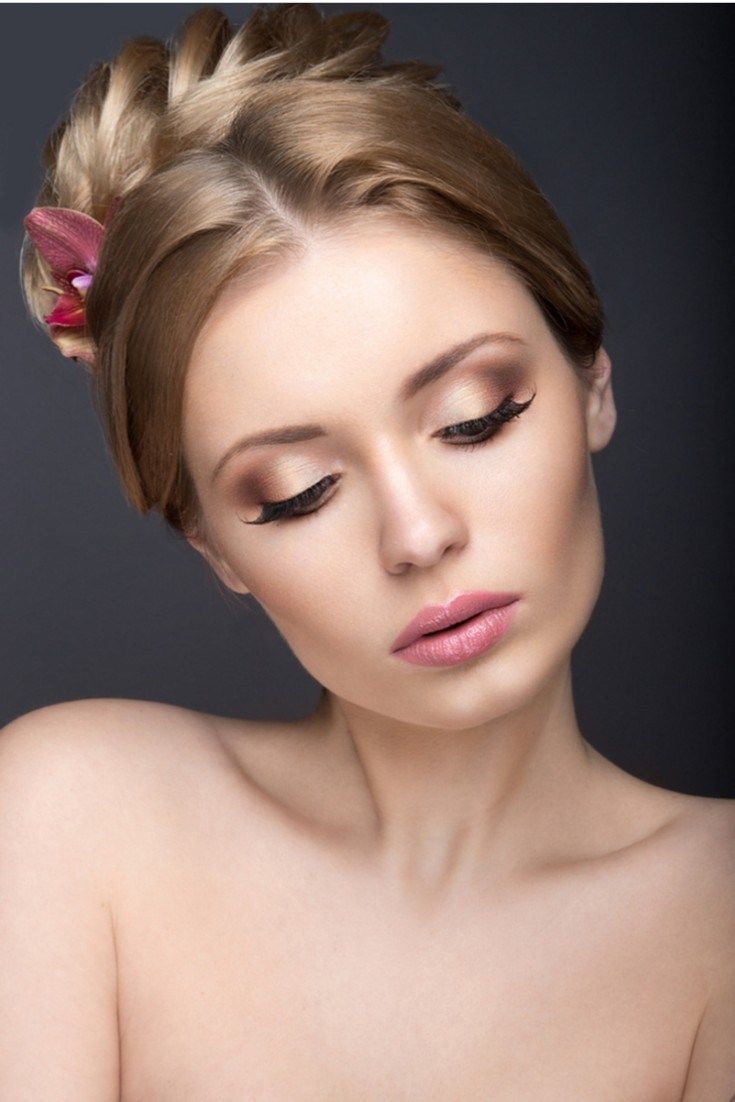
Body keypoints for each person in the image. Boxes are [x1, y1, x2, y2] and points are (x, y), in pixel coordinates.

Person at [4, 4, 733, 1098]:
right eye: (298, 493)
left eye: (477, 418)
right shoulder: (71, 819)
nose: (420, 534)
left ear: (592, 379)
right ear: (214, 546)